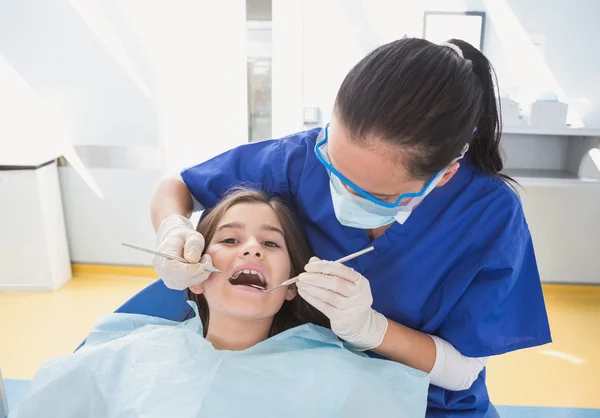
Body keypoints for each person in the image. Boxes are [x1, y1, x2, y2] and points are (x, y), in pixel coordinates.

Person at [150, 38, 552, 417]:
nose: (338, 192)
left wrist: (371, 329)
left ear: (443, 176)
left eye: (371, 195)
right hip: (299, 388)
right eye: (331, 167)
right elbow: (179, 187)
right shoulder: (295, 161)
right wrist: (172, 228)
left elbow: (462, 371)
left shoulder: (487, 216)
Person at [13, 188, 430, 418]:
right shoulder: (129, 357)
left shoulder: (342, 377)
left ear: (291, 286)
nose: (251, 250)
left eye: (270, 242)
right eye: (230, 240)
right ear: (191, 275)